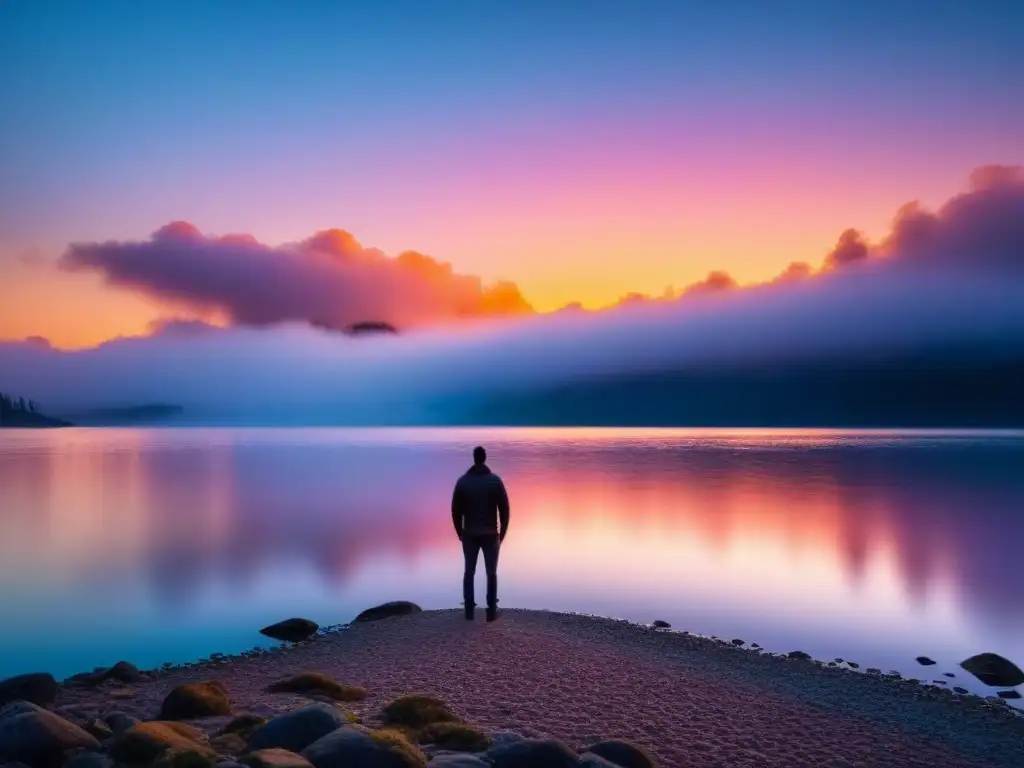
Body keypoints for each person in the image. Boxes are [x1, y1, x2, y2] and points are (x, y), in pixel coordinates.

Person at [451, 445, 509, 621]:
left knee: (469, 571)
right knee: (491, 572)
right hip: (491, 534)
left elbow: (455, 510)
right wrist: (503, 533)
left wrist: (459, 531)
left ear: (474, 458)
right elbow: (505, 510)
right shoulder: (495, 481)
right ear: (484, 458)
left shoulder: (463, 482)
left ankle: (469, 610)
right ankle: (491, 610)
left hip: (470, 534)